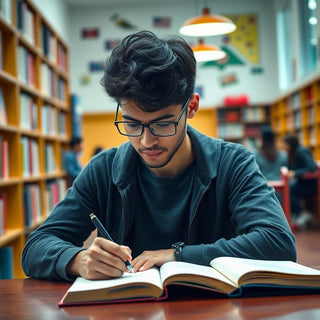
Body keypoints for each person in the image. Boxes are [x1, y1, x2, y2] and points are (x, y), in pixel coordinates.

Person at [22, 31, 296, 282]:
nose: (146, 141)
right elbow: (36, 247)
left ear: (191, 107)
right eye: (132, 124)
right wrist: (77, 260)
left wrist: (178, 255)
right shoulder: (103, 170)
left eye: (163, 124)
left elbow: (278, 242)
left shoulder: (233, 163)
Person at [283, 133, 318, 227]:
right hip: (302, 183)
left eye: (286, 144)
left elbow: (311, 167)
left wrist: (295, 173)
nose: (284, 147)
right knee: (288, 189)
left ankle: (302, 213)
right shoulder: (293, 154)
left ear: (291, 144)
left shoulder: (301, 151)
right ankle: (298, 214)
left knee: (288, 190)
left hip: (310, 185)